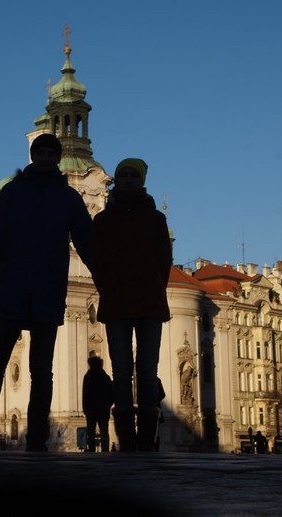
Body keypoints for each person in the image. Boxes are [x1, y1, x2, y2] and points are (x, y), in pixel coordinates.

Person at [0, 133, 93, 451]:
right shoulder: (12, 193)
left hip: (46, 292)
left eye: (48, 153)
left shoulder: (68, 198)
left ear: (56, 158)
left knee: (42, 370)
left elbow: (87, 243)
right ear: (33, 156)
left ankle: (37, 439)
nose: (43, 158)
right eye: (38, 152)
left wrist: (107, 280)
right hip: (10, 291)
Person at [90, 157, 172, 452]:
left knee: (147, 369)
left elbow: (165, 262)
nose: (127, 180)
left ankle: (147, 438)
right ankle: (126, 438)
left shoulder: (155, 219)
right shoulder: (103, 220)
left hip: (148, 301)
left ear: (142, 181)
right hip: (117, 301)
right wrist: (108, 286)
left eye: (132, 176)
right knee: (122, 369)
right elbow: (97, 261)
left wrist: (153, 285)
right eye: (122, 175)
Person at [82, 355, 113, 452]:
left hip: (91, 410)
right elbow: (111, 393)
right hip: (103, 409)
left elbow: (85, 394)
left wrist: (85, 409)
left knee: (91, 432)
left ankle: (91, 450)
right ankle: (105, 450)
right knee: (104, 431)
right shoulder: (105, 377)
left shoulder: (88, 377)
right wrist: (108, 404)